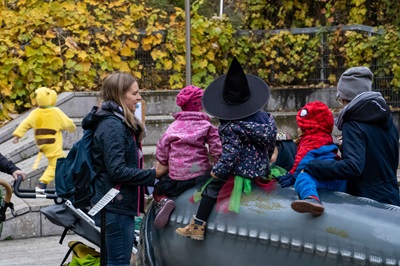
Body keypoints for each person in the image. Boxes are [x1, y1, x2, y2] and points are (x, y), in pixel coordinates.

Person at [175, 57, 277, 241]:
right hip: (261, 169)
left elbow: (231, 154)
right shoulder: (267, 120)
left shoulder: (231, 127)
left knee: (210, 188)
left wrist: (218, 170)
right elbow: (270, 146)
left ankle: (198, 225)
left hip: (242, 172)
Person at [81, 72, 168, 266]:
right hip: (115, 206)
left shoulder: (117, 121)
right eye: (134, 93)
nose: (139, 97)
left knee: (114, 260)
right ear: (120, 95)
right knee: (119, 261)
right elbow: (117, 171)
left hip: (115, 204)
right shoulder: (112, 126)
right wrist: (154, 174)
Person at [303, 66, 400, 206]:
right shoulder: (387, 118)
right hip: (392, 195)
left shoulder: (353, 123)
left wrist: (313, 166)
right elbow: (379, 156)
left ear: (344, 97)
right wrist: (347, 147)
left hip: (368, 201)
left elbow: (353, 167)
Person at [153, 85, 222, 229]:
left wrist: (165, 161)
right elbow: (217, 148)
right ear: (200, 106)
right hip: (199, 173)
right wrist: (217, 164)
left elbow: (161, 150)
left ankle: (163, 201)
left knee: (158, 189)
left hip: (177, 177)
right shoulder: (206, 125)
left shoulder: (173, 127)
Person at [276, 101, 347, 216]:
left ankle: (311, 198)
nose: (298, 128)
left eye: (299, 125)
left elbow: (302, 161)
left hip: (321, 177)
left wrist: (292, 176)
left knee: (303, 178)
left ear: (307, 127)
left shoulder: (310, 141)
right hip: (338, 177)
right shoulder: (327, 138)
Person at [12, 87, 76, 189]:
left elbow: (25, 123)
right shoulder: (55, 111)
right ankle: (42, 184)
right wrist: (72, 128)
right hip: (52, 143)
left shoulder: (35, 112)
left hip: (42, 143)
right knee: (56, 163)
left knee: (60, 161)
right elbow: (68, 124)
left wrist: (17, 135)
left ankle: (63, 183)